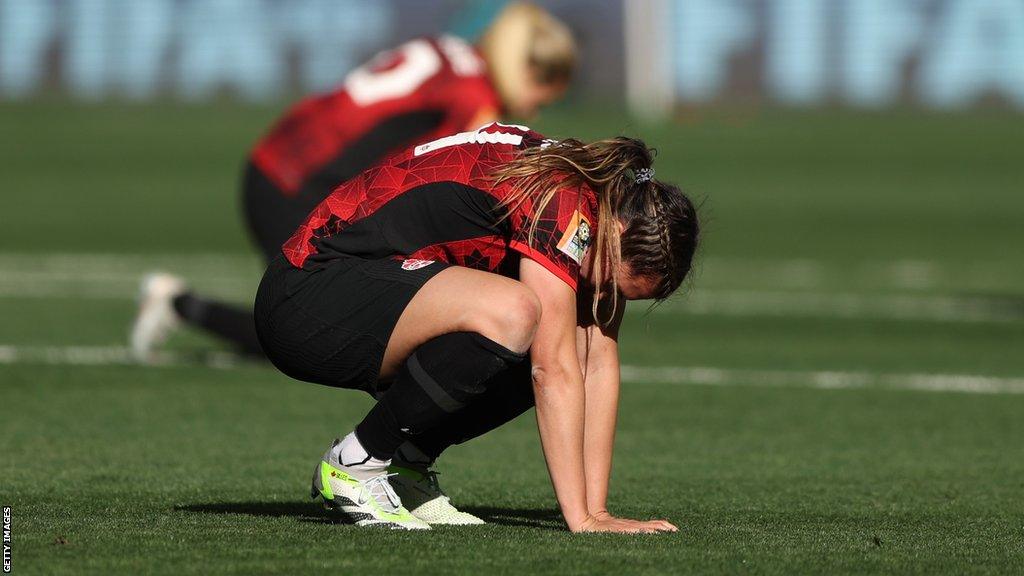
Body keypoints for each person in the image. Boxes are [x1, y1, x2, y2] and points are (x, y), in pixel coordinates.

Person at [253, 122, 700, 531]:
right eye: (609, 282)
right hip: (305, 295)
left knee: (558, 327)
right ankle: (355, 462)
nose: (605, 296)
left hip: (360, 288)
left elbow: (596, 361)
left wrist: (599, 511)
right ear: (616, 230)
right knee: (519, 313)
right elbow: (553, 371)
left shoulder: (601, 208)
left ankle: (406, 464)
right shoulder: (564, 203)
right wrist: (581, 519)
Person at [130, 2, 576, 361]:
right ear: (527, 69)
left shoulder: (446, 50)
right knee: (306, 332)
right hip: (300, 183)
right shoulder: (474, 100)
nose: (534, 111)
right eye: (542, 95)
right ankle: (177, 304)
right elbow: (428, 177)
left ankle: (177, 303)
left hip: (280, 158)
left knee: (316, 319)